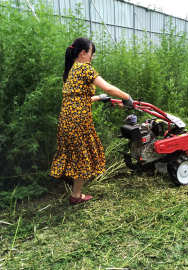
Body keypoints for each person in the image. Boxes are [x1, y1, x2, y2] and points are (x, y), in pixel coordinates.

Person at [50, 37, 133, 205]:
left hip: (66, 120)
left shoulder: (70, 71)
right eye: (91, 54)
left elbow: (76, 98)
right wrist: (126, 97)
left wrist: (97, 98)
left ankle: (70, 180)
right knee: (83, 156)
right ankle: (76, 195)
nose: (91, 58)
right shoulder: (84, 68)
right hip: (79, 122)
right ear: (83, 53)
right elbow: (108, 87)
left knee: (72, 152)